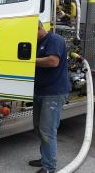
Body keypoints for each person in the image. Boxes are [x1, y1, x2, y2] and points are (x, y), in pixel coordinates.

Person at [29, 21, 71, 173]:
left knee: (47, 130)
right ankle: (45, 158)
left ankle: (49, 168)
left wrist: (30, 62)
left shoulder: (54, 40)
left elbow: (53, 61)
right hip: (40, 91)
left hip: (54, 92)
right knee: (39, 128)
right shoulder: (36, 42)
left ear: (39, 28)